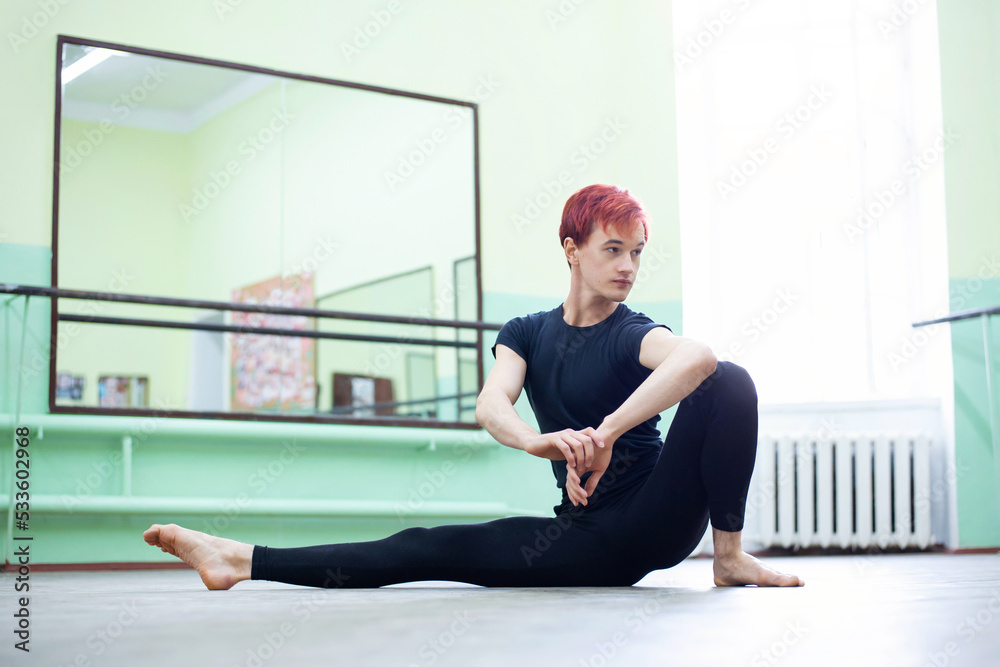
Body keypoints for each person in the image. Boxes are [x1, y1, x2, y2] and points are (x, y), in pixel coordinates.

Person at [143, 184, 803, 590]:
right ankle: (239, 558)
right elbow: (492, 404)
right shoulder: (526, 330)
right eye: (613, 249)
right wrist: (540, 442)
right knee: (425, 545)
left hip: (659, 515)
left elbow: (698, 358)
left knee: (730, 380)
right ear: (571, 248)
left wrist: (606, 431)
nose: (628, 266)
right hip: (585, 538)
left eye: (637, 251)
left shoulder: (632, 331)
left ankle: (730, 555)